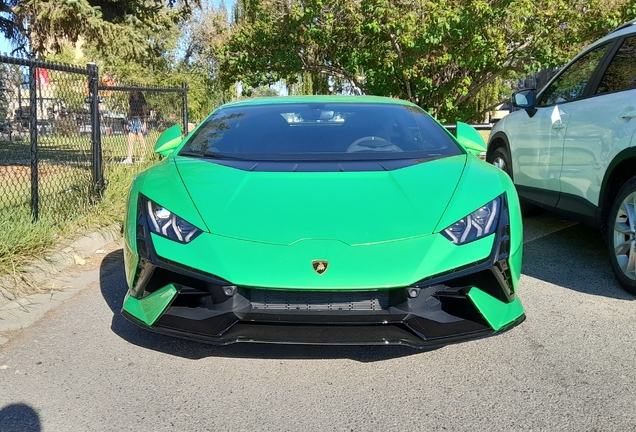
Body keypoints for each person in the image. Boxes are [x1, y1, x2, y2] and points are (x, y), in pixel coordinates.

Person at [121, 90, 149, 164]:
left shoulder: (141, 101)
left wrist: (145, 123)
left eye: (135, 90)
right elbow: (130, 111)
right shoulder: (131, 101)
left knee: (141, 140)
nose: (133, 92)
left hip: (140, 120)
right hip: (132, 120)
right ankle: (129, 158)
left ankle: (142, 157)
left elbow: (145, 113)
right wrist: (128, 121)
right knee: (130, 140)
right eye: (132, 90)